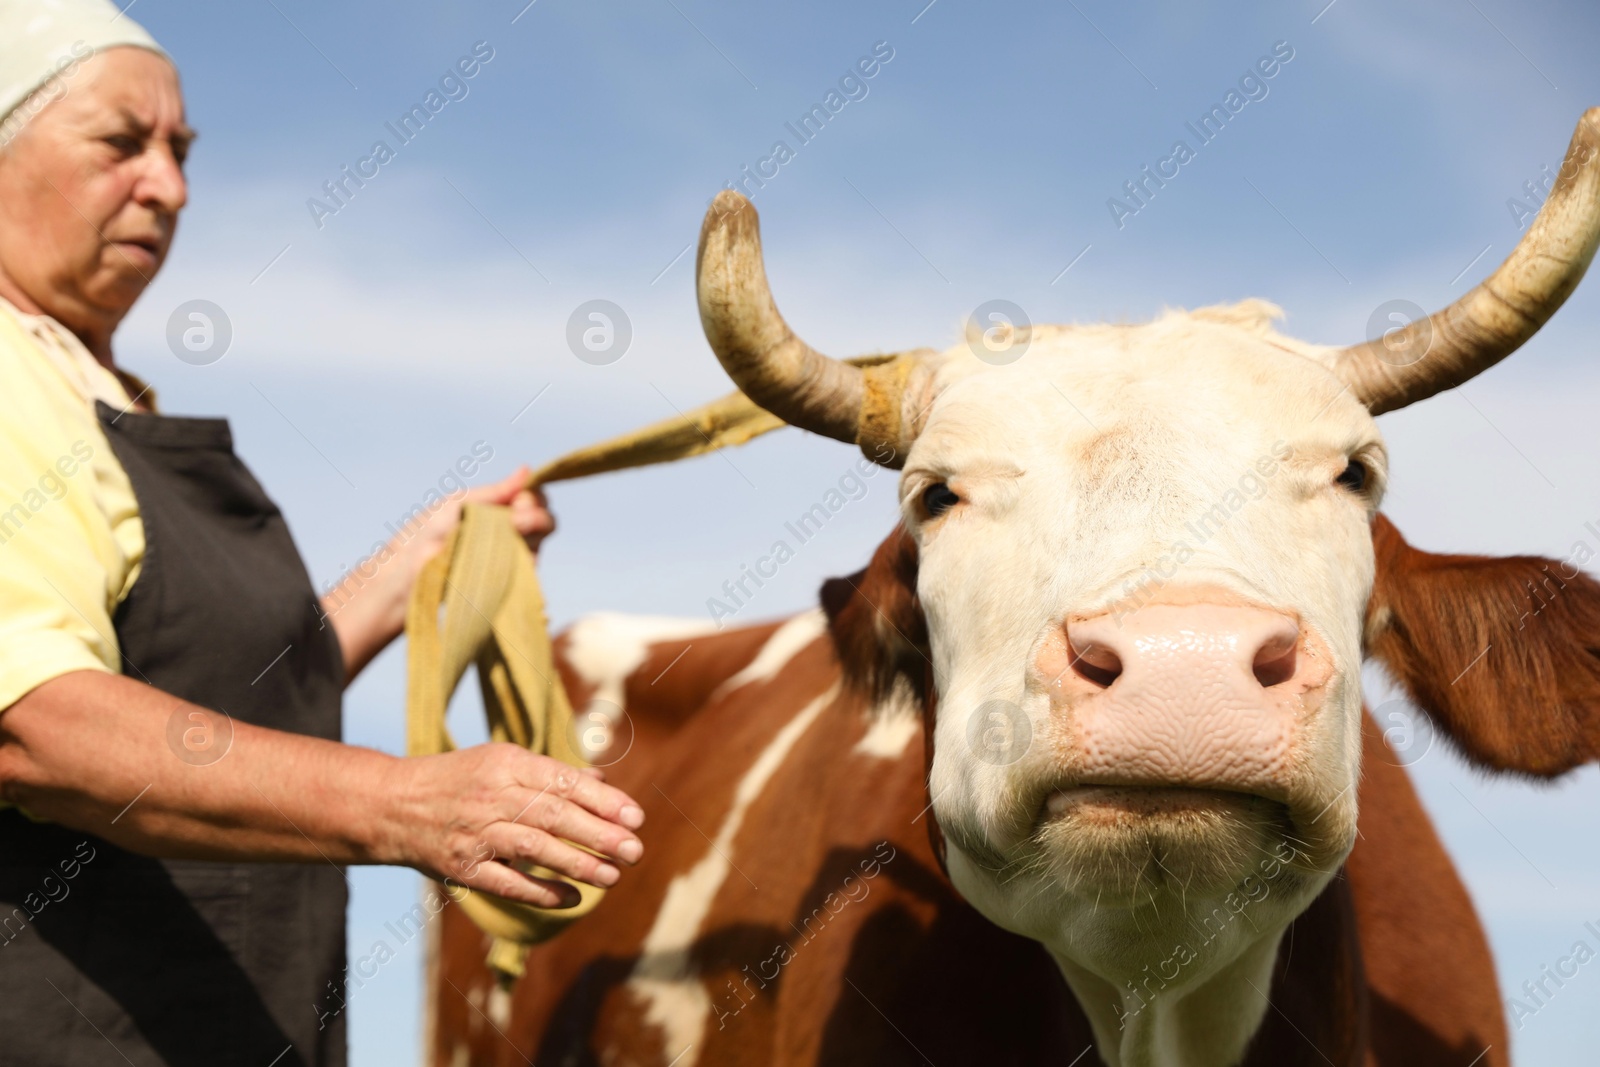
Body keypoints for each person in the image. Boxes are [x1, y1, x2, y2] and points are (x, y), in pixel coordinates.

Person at [0, 4, 645, 1064]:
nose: (170, 186)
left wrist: (419, 562)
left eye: (179, 151)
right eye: (122, 143)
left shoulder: (97, 391)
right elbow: (36, 722)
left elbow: (227, 696)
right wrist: (408, 801)